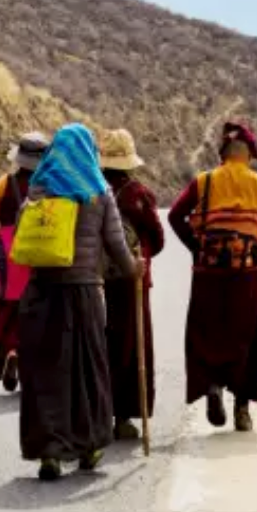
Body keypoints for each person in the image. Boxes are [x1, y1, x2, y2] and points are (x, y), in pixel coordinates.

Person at [18, 123, 139, 481]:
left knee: (46, 373)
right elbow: (117, 246)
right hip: (83, 293)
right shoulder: (99, 192)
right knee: (87, 370)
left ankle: (50, 452)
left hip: (41, 293)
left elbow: (24, 232)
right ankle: (90, 445)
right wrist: (135, 269)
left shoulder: (39, 187)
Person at [168, 121, 257, 433]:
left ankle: (212, 386)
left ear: (223, 154)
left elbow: (174, 215)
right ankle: (242, 410)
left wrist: (196, 247)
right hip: (247, 273)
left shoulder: (204, 181)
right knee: (247, 336)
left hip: (209, 272)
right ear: (248, 155)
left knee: (208, 332)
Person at [99, 129, 165, 442]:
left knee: (100, 344)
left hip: (94, 279)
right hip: (133, 279)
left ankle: (97, 412)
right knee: (131, 345)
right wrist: (141, 256)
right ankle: (124, 416)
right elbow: (158, 239)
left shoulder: (91, 190)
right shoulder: (139, 194)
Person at [0, 131, 50, 392]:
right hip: (37, 249)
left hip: (7, 252)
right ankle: (29, 360)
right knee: (35, 309)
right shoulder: (51, 185)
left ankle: (11, 350)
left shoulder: (4, 183)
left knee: (7, 309)